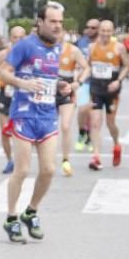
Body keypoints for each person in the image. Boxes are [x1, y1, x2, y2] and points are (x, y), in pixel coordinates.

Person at [0, 3, 65, 244]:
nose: (57, 26)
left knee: (48, 170)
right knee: (23, 170)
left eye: (60, 22)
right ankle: (11, 217)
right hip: (24, 114)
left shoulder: (57, 48)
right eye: (52, 21)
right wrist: (23, 84)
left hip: (47, 115)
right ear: (40, 22)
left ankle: (31, 211)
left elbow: (47, 77)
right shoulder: (25, 45)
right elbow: (3, 73)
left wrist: (59, 86)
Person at [86, 20, 129, 171]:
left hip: (112, 90)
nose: (105, 34)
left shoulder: (119, 47)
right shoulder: (92, 47)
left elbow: (127, 66)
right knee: (95, 123)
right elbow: (87, 66)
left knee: (110, 123)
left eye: (108, 31)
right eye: (103, 31)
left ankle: (117, 144)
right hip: (96, 89)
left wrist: (118, 80)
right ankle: (96, 156)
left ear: (112, 32)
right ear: (99, 31)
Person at [55, 28, 89, 177]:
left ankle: (65, 160)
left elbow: (87, 67)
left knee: (66, 125)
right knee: (47, 127)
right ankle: (48, 159)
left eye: (60, 32)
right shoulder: (43, 50)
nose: (57, 35)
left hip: (67, 90)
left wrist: (78, 83)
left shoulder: (73, 50)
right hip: (48, 90)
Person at [0, 26, 26, 174]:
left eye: (21, 37)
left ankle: (21, 161)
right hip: (5, 95)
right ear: (10, 38)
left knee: (22, 132)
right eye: (15, 37)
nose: (18, 40)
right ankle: (9, 161)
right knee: (5, 131)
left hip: (23, 97)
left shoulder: (29, 54)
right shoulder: (4, 54)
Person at [75, 19, 99, 151]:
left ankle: (90, 136)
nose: (90, 30)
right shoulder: (81, 41)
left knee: (92, 111)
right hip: (84, 80)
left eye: (93, 28)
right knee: (82, 109)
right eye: (88, 27)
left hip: (98, 82)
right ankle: (81, 133)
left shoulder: (102, 42)